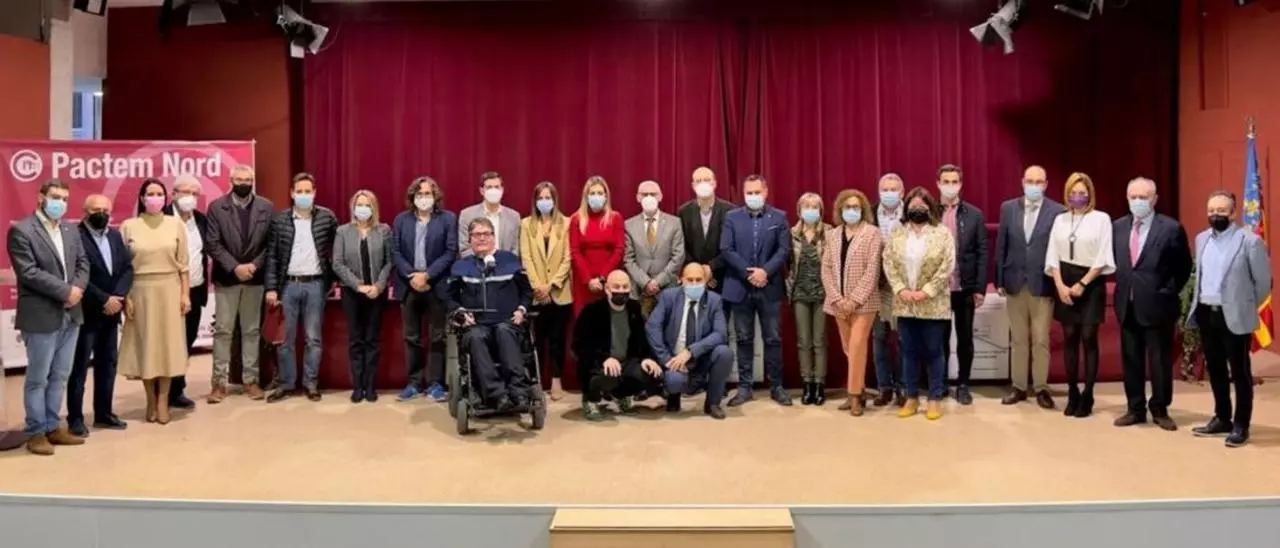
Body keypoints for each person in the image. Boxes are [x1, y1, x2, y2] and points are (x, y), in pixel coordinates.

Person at [7, 180, 89, 455]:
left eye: (64, 198)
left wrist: (77, 290)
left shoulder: (71, 229)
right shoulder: (22, 230)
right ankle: (36, 431)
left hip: (71, 313)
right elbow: (28, 272)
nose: (60, 203)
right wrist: (66, 291)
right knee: (38, 378)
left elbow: (83, 263)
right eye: (55, 197)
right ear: (40, 197)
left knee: (61, 375)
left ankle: (53, 426)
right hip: (41, 314)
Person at [1187, 191, 1270, 448]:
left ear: (1233, 213)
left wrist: (1243, 305)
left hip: (1234, 315)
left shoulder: (1250, 241)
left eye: (1222, 211)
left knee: (1240, 372)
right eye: (1211, 210)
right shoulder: (1201, 239)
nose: (1216, 215)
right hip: (1206, 312)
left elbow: (1263, 283)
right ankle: (1222, 417)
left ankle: (1241, 424)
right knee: (1216, 369)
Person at [1111, 177, 1191, 431]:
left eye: (1143, 197)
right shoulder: (1117, 227)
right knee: (1131, 360)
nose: (1138, 201)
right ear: (1127, 199)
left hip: (1158, 306)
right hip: (1127, 304)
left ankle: (1160, 408)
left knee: (1159, 361)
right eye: (1133, 197)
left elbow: (1184, 266)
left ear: (1154, 199)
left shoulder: (1171, 228)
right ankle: (1135, 408)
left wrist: (1167, 290)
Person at [439, 218, 534, 412]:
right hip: (476, 325)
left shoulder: (510, 260)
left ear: (493, 237)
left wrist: (521, 309)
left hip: (507, 322)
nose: (481, 238)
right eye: (476, 235)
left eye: (486, 234)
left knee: (504, 332)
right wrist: (460, 312)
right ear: (470, 240)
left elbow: (527, 291)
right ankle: (497, 395)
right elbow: (449, 297)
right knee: (475, 337)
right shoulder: (461, 266)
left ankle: (519, 393)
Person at [117, 178, 191, 425]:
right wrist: (125, 297)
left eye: (160, 193)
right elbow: (122, 267)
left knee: (167, 347)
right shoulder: (129, 226)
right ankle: (149, 398)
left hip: (170, 289)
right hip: (139, 290)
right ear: (142, 198)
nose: (155, 198)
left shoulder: (175, 224)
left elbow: (184, 266)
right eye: (151, 193)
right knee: (146, 347)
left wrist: (185, 295)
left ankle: (163, 401)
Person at [1045, 172, 1115, 418]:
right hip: (1064, 279)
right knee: (1070, 337)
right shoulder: (1060, 219)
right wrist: (1060, 285)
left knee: (1088, 337)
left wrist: (1083, 283)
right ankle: (1073, 391)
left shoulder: (1101, 219)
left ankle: (1088, 394)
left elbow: (1103, 255)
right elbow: (1052, 254)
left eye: (1082, 193)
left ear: (1090, 194)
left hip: (1091, 281)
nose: (1077, 197)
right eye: (1073, 193)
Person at [264, 173, 339, 403]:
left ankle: (310, 383)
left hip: (316, 284)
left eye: (308, 191)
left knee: (313, 338)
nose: (304, 195)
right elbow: (272, 257)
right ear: (292, 193)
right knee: (285, 340)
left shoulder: (327, 217)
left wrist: (333, 279)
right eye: (299, 191)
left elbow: (338, 251)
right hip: (288, 285)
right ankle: (287, 384)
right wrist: (271, 288)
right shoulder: (280, 220)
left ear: (314, 193)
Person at [995, 165, 1064, 409]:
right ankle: (1019, 386)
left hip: (1042, 283)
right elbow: (1001, 244)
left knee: (1041, 339)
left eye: (1039, 182)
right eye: (1030, 181)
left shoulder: (1057, 211)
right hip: (1014, 282)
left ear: (1046, 185)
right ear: (1022, 182)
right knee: (1018, 339)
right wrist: (999, 279)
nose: (1034, 185)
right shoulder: (1008, 208)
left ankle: (1041, 388)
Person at [882, 187, 955, 420]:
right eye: (913, 207)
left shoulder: (942, 233)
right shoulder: (897, 233)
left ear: (930, 208)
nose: (917, 210)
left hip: (933, 303)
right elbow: (888, 262)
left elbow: (947, 265)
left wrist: (926, 291)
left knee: (934, 351)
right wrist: (901, 289)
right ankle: (911, 397)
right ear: (906, 209)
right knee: (909, 352)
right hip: (905, 303)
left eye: (922, 207)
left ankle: (934, 398)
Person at [721, 174, 792, 406]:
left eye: (756, 192)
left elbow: (783, 250)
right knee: (743, 338)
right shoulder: (731, 217)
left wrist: (765, 272)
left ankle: (776, 386)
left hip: (769, 286)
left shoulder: (779, 217)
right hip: (740, 286)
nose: (753, 196)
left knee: (773, 338)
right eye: (749, 193)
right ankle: (745, 387)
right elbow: (726, 249)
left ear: (765, 192)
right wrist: (749, 273)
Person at [205, 165, 274, 403]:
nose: (244, 183)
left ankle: (250, 380)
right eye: (239, 179)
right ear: (230, 181)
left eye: (248, 179)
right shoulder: (216, 207)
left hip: (255, 278)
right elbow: (212, 243)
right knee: (223, 331)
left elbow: (270, 244)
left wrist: (254, 265)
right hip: (227, 278)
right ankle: (218, 383)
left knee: (251, 331)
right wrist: (235, 267)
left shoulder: (266, 206)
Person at [66, 194, 133, 437]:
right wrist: (104, 299)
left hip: (112, 311)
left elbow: (126, 268)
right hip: (87, 311)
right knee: (79, 367)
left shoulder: (115, 235)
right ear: (85, 211)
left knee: (108, 364)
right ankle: (75, 418)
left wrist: (119, 297)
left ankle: (104, 413)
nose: (102, 214)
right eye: (96, 210)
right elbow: (76, 274)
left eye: (106, 210)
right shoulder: (74, 236)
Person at [392, 176, 458, 402]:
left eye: (427, 193)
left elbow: (450, 252)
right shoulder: (401, 220)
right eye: (419, 194)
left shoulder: (448, 219)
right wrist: (413, 275)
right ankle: (413, 383)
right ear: (413, 196)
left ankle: (436, 384)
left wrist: (427, 275)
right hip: (408, 284)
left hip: (436, 284)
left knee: (438, 336)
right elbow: (395, 252)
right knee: (412, 337)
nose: (423, 198)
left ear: (435, 196)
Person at [821, 189, 882, 415]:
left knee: (857, 345)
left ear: (863, 209)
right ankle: (861, 389)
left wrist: (854, 300)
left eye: (856, 207)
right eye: (847, 207)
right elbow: (826, 268)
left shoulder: (872, 233)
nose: (851, 211)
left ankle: (854, 395)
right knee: (849, 349)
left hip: (863, 303)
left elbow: (872, 270)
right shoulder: (833, 234)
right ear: (840, 210)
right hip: (838, 302)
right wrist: (837, 298)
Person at [645, 263, 732, 419]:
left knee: (724, 353)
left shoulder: (714, 300)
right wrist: (666, 359)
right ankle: (673, 397)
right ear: (681, 280)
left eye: (699, 280)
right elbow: (652, 326)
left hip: (701, 360)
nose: (694, 284)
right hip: (674, 360)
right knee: (674, 381)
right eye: (690, 280)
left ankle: (713, 403)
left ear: (705, 281)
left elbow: (720, 334)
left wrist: (691, 351)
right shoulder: (668, 296)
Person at [572, 270, 662, 420]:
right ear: (607, 289)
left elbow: (642, 339)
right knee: (608, 375)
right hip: (599, 365)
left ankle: (621, 395)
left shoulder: (634, 308)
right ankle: (591, 400)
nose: (621, 291)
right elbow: (579, 346)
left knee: (650, 373)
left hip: (626, 362)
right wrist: (604, 359)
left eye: (625, 287)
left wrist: (647, 358)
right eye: (616, 287)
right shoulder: (592, 311)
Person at [332, 190, 393, 403]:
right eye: (360, 204)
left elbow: (389, 261)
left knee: (372, 340)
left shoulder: (384, 230)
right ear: (353, 207)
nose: (363, 208)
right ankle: (357, 386)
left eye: (367, 205)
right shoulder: (342, 231)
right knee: (356, 339)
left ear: (374, 208)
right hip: (352, 293)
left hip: (377, 293)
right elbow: (337, 263)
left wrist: (379, 285)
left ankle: (370, 385)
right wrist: (358, 286)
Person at [935, 164, 987, 405]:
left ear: (961, 184)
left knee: (965, 339)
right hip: (938, 290)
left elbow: (982, 252)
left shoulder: (974, 215)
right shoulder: (930, 213)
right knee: (940, 339)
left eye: (954, 181)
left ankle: (963, 384)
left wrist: (979, 288)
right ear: (938, 184)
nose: (950, 186)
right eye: (945, 181)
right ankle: (941, 382)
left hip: (965, 287)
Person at [518, 182, 572, 400]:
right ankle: (538, 382)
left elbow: (568, 258)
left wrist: (552, 285)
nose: (544, 201)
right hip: (536, 293)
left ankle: (557, 381)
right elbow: (526, 257)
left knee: (558, 339)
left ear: (555, 200)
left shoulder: (566, 223)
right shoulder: (526, 224)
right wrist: (538, 286)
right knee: (538, 339)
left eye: (548, 197)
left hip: (560, 292)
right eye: (540, 198)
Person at [163, 175, 208, 410]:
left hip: (195, 290)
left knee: (186, 341)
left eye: (194, 193)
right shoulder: (161, 218)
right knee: (167, 343)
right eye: (185, 192)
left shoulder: (200, 220)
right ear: (173, 194)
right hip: (168, 291)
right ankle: (161, 392)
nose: (190, 197)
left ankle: (177, 389)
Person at [788, 193, 831, 404]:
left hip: (823, 293)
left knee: (819, 340)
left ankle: (819, 384)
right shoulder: (792, 234)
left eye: (815, 207)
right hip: (800, 292)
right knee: (803, 341)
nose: (810, 210)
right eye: (806, 206)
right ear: (799, 210)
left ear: (821, 210)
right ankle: (807, 383)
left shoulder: (829, 232)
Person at [624, 180, 685, 316]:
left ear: (660, 196)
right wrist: (646, 282)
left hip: (667, 287)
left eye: (653, 194)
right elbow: (628, 259)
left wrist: (658, 281)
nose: (649, 198)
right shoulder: (629, 225)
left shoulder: (674, 223)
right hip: (639, 290)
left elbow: (678, 256)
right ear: (638, 198)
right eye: (644, 194)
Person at [569, 175, 626, 319]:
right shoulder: (576, 219)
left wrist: (602, 278)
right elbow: (575, 251)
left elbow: (619, 250)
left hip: (608, 281)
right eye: (592, 193)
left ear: (606, 196)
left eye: (600, 193)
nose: (596, 196)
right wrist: (588, 279)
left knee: (605, 321)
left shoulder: (615, 218)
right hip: (583, 282)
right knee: (583, 321)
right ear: (586, 196)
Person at [870, 173, 904, 407]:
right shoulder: (869, 214)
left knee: (903, 339)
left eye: (893, 189)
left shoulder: (910, 213)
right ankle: (884, 388)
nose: (889, 193)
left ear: (902, 192)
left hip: (903, 287)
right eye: (885, 189)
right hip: (877, 286)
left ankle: (903, 387)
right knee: (879, 338)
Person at [676, 166, 733, 290]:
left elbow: (732, 245)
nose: (703, 184)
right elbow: (681, 245)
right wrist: (698, 270)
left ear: (715, 183)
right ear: (693, 186)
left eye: (707, 180)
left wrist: (711, 267)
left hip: (723, 277)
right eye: (698, 181)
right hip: (693, 278)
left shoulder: (730, 211)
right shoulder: (683, 212)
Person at [458, 171, 520, 258]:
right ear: (482, 191)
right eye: (489, 187)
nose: (493, 191)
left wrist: (505, 262)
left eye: (497, 187)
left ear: (502, 190)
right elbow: (464, 249)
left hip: (505, 264)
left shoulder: (514, 216)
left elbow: (515, 249)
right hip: (475, 264)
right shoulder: (467, 215)